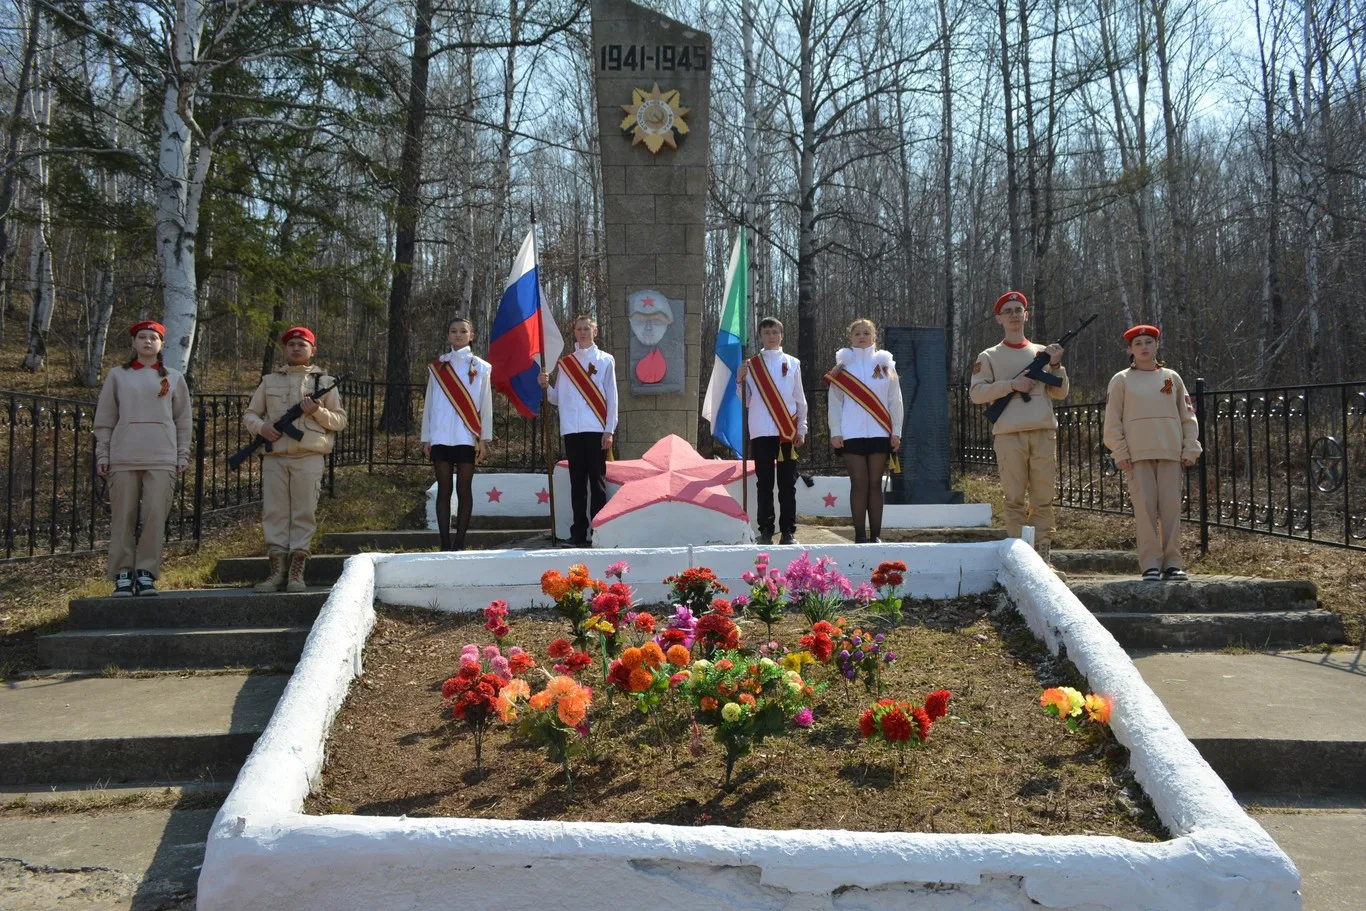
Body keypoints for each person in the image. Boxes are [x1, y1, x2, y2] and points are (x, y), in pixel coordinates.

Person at [243, 326, 347, 592]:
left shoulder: (324, 383)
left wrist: (317, 412)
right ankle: (276, 572)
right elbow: (250, 414)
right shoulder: (269, 381)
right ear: (285, 350)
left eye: (302, 345)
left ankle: (296, 573)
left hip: (309, 456)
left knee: (304, 513)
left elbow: (340, 421)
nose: (297, 348)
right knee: (274, 513)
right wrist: (262, 428)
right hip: (275, 457)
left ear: (313, 350)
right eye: (291, 345)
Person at [93, 320, 192, 596]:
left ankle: (146, 572)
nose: (148, 341)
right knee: (123, 517)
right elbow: (105, 419)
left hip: (162, 457)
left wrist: (182, 454)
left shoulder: (174, 378)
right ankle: (123, 573)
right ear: (134, 343)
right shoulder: (118, 375)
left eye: (153, 337)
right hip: (124, 456)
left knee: (154, 516)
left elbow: (183, 421)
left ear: (162, 344)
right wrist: (103, 453)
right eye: (142, 337)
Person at [969, 291, 1068, 562]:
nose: (1014, 315)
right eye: (1008, 311)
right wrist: (1012, 385)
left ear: (1026, 316)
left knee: (1043, 497)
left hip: (1042, 431)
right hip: (1009, 434)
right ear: (999, 319)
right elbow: (976, 393)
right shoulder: (989, 356)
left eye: (1018, 310)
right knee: (1013, 498)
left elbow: (1060, 392)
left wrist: (1056, 365)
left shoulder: (1042, 353)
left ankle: (1043, 555)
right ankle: (1020, 557)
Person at [1102, 324, 1202, 581]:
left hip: (1170, 452)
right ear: (1129, 349)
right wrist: (1119, 451)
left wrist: (1190, 446)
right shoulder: (1122, 380)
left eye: (1148, 342)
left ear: (1157, 345)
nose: (1144, 347)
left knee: (1171, 510)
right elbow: (1112, 420)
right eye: (1138, 344)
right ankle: (1150, 564)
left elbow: (1187, 415)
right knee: (1145, 510)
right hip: (1137, 455)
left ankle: (1172, 563)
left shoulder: (1170, 378)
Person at [538, 315, 618, 547]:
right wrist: (545, 384)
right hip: (572, 430)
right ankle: (579, 533)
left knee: (597, 483)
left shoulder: (605, 360)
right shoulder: (566, 364)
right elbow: (556, 398)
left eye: (586, 329)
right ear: (574, 332)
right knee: (577, 484)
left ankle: (599, 532)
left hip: (596, 429)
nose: (582, 332)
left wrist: (609, 430)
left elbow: (612, 398)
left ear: (595, 331)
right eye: (579, 329)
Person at [824, 318, 903, 543]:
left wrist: (896, 431)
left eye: (866, 333)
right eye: (857, 333)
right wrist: (835, 431)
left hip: (880, 432)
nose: (861, 337)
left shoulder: (886, 365)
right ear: (851, 337)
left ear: (873, 336)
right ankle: (860, 536)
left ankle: (876, 535)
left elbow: (895, 400)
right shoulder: (843, 367)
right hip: (851, 433)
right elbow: (835, 403)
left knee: (875, 484)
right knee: (859, 483)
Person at [421, 315, 494, 551]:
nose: (458, 335)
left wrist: (483, 439)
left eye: (463, 331)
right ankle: (444, 543)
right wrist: (427, 437)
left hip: (466, 436)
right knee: (444, 490)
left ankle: (460, 543)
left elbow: (486, 405)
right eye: (453, 331)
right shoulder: (438, 367)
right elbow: (430, 403)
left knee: (464, 489)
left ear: (471, 335)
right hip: (441, 435)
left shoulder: (481, 367)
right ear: (448, 336)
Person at [735, 317, 808, 545]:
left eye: (775, 332)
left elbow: (800, 399)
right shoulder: (751, 365)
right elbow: (746, 400)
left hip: (786, 431)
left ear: (782, 335)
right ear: (760, 337)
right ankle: (766, 530)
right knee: (764, 483)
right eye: (766, 333)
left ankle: (787, 531)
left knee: (787, 484)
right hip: (761, 430)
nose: (771, 336)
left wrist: (802, 428)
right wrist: (739, 380)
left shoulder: (793, 363)